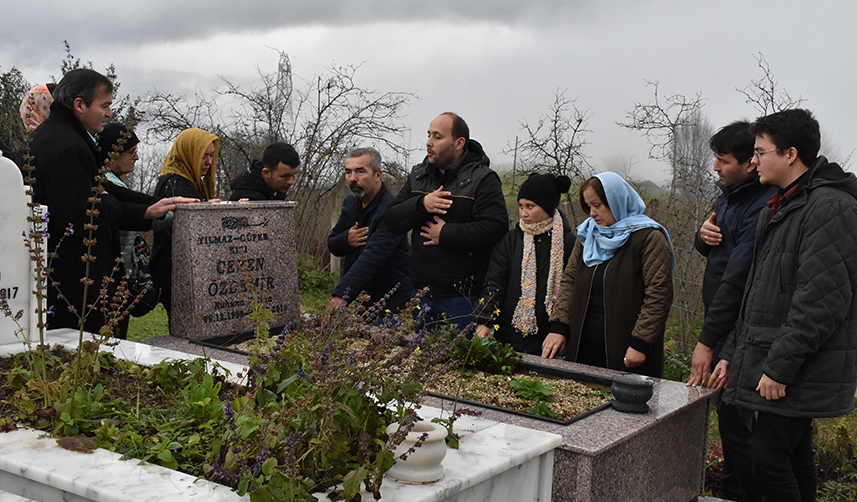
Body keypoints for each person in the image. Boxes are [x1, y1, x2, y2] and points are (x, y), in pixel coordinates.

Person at [710, 109, 857, 502]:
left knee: (768, 457)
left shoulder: (829, 208)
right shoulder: (782, 205)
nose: (753, 160)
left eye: (760, 151)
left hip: (801, 365)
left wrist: (778, 368)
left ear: (791, 154)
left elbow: (821, 303)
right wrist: (730, 352)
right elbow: (757, 294)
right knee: (792, 457)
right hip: (779, 359)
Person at [27, 68, 192, 336]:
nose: (109, 114)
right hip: (78, 292)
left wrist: (149, 209)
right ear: (79, 105)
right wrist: (110, 204)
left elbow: (105, 193)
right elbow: (82, 216)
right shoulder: (69, 147)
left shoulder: (56, 136)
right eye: (105, 105)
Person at [685, 121, 776, 502]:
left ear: (751, 163)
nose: (717, 168)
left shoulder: (761, 205)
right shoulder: (729, 194)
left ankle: (744, 494)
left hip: (740, 330)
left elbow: (738, 277)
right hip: (724, 327)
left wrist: (709, 341)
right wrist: (702, 237)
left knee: (740, 425)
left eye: (723, 161)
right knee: (732, 423)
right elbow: (717, 244)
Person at [385, 113, 508, 330]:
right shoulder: (418, 175)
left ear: (459, 142)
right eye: (429, 135)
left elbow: (495, 228)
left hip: (463, 298)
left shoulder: (483, 180)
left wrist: (445, 233)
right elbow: (392, 219)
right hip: (421, 294)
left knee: (460, 362)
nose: (429, 142)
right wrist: (422, 204)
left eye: (437, 137)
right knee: (421, 359)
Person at [546, 172, 673, 377]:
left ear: (615, 201)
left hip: (627, 350)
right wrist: (559, 327)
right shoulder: (588, 235)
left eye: (597, 205)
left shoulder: (649, 238)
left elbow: (659, 294)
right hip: (583, 346)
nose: (592, 213)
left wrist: (640, 343)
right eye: (588, 207)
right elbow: (569, 280)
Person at [473, 173, 575, 355]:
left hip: (549, 336)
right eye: (520, 206)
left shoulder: (568, 243)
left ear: (547, 206)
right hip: (510, 333)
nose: (523, 213)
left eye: (530, 206)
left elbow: (571, 290)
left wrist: (561, 329)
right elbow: (495, 282)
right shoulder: (510, 241)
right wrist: (485, 320)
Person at [326, 147, 411, 313]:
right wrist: (347, 239)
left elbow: (372, 257)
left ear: (378, 175)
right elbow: (333, 243)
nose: (353, 179)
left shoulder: (392, 211)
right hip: (361, 299)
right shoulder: (350, 203)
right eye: (348, 172)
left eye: (360, 172)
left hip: (392, 303)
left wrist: (341, 295)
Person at [96, 123, 159, 331]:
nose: (137, 158)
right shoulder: (107, 184)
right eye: (131, 152)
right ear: (112, 155)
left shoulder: (115, 182)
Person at [150, 128, 219, 316]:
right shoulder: (176, 185)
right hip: (174, 271)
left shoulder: (188, 181)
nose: (208, 162)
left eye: (212, 156)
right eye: (203, 156)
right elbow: (183, 227)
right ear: (189, 154)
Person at [229, 141, 300, 201]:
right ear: (266, 173)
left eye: (294, 175)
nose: (290, 182)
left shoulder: (275, 189)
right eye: (285, 176)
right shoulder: (247, 199)